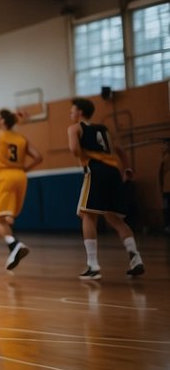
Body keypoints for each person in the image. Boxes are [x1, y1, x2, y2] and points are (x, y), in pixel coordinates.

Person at [67, 98, 145, 279]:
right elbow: (121, 151)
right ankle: (136, 258)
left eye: (72, 111)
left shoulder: (74, 128)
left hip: (95, 170)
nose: (71, 114)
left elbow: (74, 150)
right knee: (116, 220)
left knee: (87, 215)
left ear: (79, 113)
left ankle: (93, 265)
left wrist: (84, 154)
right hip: (114, 172)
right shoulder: (105, 129)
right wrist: (127, 169)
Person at [0, 109, 43, 270]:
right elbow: (39, 157)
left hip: (4, 177)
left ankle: (14, 244)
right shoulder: (21, 138)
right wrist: (24, 169)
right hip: (20, 177)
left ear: (3, 121)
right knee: (6, 219)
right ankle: (13, 249)